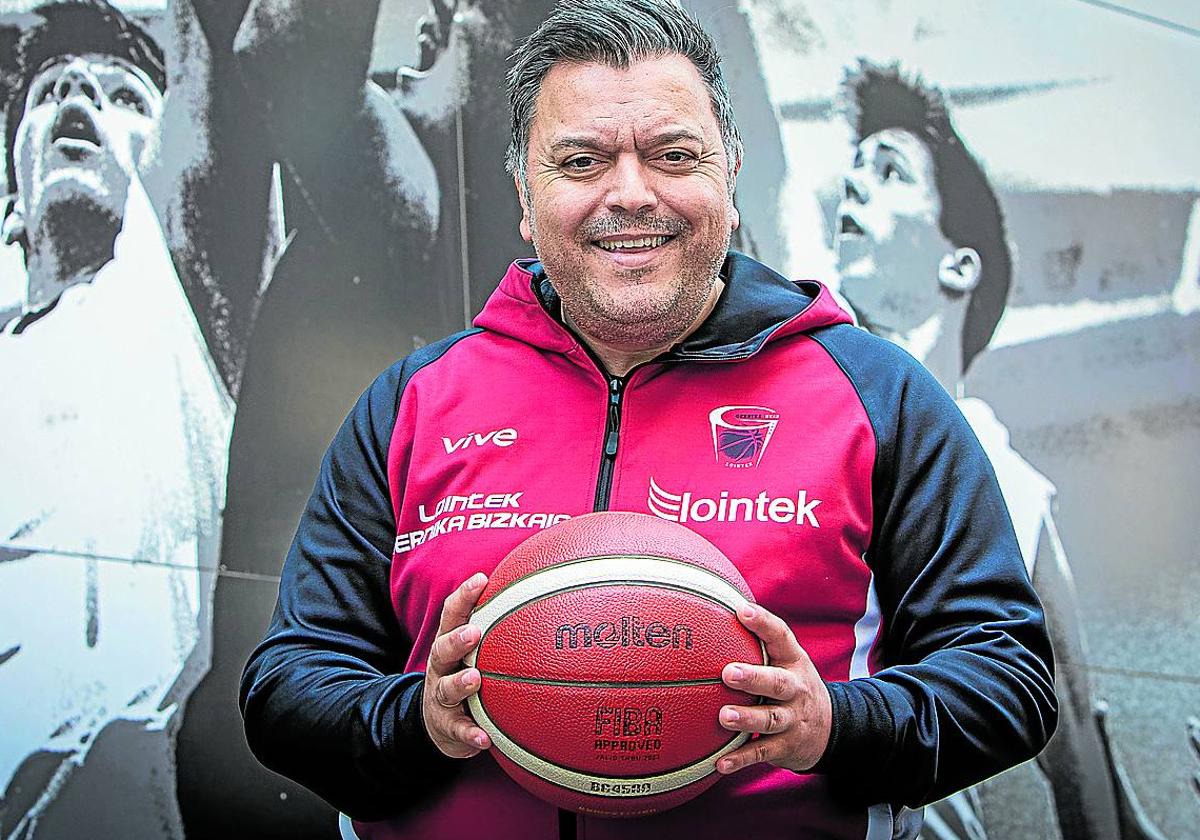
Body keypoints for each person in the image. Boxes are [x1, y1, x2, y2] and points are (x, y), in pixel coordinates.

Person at [240, 2, 1056, 839]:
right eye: (582, 161)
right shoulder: (412, 403)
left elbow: (1008, 676)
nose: (630, 195)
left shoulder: (878, 396)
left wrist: (837, 725)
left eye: (673, 154)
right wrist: (416, 720)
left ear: (728, 178)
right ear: (527, 195)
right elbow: (288, 684)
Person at [834, 59, 1165, 840]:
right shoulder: (796, 428)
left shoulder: (1000, 471)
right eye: (852, 174)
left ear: (958, 264)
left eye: (886, 173)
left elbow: (1074, 738)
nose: (853, 189)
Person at [0, 2, 232, 837]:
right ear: (10, 201)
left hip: (128, 801)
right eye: (52, 89)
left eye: (123, 96)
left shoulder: (169, 299)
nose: (78, 104)